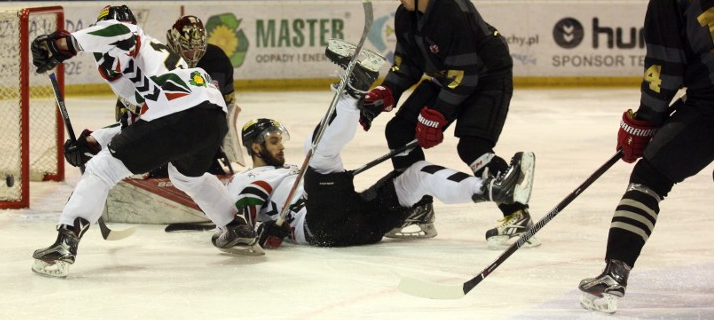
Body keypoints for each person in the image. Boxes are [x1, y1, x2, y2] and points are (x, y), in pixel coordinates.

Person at [30, 5, 262, 278]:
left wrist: (63, 43)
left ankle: (65, 244)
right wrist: (95, 141)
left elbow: (118, 30)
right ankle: (236, 228)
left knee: (102, 169)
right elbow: (142, 119)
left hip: (179, 112)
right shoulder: (146, 63)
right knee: (188, 177)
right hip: (210, 117)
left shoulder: (131, 35)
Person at [227, 47, 535, 249]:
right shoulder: (247, 178)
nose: (280, 146)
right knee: (317, 151)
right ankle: (352, 95)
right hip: (318, 227)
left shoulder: (295, 171)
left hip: (361, 223)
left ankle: (494, 190)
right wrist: (259, 231)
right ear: (255, 147)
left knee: (415, 174)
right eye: (273, 140)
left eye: (280, 139)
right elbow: (239, 218)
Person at [578, 0, 714, 314]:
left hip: (709, 105)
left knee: (649, 178)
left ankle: (614, 274)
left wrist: (643, 122)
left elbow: (664, 73)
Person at [359, 0, 539, 249]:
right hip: (448, 77)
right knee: (399, 130)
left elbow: (466, 76)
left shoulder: (452, 10)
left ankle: (517, 214)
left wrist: (438, 113)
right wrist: (385, 94)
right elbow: (407, 67)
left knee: (473, 145)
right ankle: (419, 206)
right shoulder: (405, 16)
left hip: (487, 79)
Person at [114, 15, 238, 177]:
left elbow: (228, 105)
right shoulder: (155, 61)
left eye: (198, 49)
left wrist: (223, 147)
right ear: (173, 44)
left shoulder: (218, 61)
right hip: (161, 142)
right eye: (188, 49)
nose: (194, 55)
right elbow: (127, 106)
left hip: (201, 143)